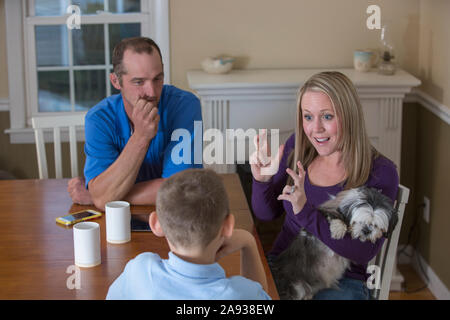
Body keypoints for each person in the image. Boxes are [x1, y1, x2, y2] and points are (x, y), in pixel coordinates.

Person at [250, 71, 399, 300]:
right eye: (308, 117)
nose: (315, 128)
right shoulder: (297, 149)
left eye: (327, 116)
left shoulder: (379, 172)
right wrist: (262, 180)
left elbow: (364, 251)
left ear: (349, 116)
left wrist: (306, 213)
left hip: (341, 283)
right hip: (284, 267)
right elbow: (266, 213)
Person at [67, 37, 202, 210]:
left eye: (157, 79)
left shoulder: (185, 105)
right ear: (116, 81)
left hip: (176, 216)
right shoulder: (99, 119)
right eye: (139, 82)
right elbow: (102, 196)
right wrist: (141, 136)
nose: (151, 92)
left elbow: (180, 190)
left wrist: (107, 197)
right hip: (118, 221)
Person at [106, 169, 271, 300]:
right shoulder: (240, 293)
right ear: (228, 226)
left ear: (156, 223)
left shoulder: (140, 271)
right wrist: (249, 242)